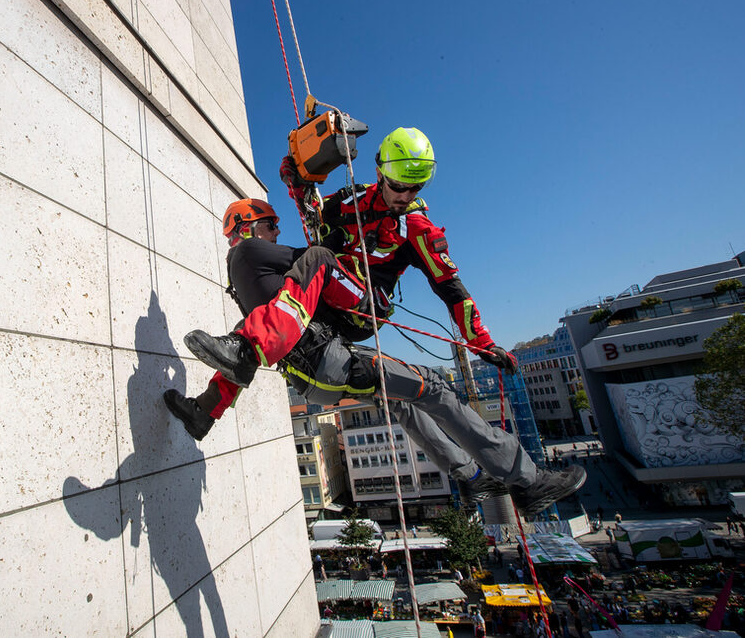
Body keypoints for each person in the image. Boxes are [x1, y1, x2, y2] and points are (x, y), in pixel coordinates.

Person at [167, 127, 585, 515]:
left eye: (414, 189)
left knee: (317, 276)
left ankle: (493, 478)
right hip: (326, 313)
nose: (404, 196)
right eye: (399, 186)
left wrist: (481, 342)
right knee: (308, 288)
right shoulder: (348, 203)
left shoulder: (415, 226)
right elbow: (316, 223)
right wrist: (297, 178)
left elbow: (451, 287)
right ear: (381, 172)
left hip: (354, 312)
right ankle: (501, 479)